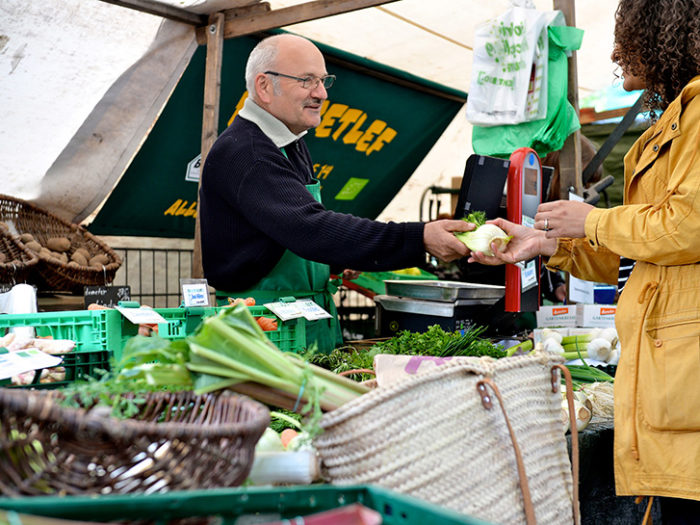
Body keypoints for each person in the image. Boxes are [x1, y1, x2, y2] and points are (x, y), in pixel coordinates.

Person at [471, 0, 700, 521]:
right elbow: (645, 255)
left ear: (661, 37)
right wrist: (553, 246)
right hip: (669, 371)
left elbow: (689, 226)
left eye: (629, 38)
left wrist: (589, 220)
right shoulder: (673, 121)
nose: (619, 54)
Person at [199, 33, 472, 353]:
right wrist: (420, 237)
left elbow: (276, 236)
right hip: (265, 333)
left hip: (303, 322)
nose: (322, 93)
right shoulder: (247, 152)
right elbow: (309, 228)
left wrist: (331, 265)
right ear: (264, 86)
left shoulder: (289, 143)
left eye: (324, 80)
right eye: (307, 80)